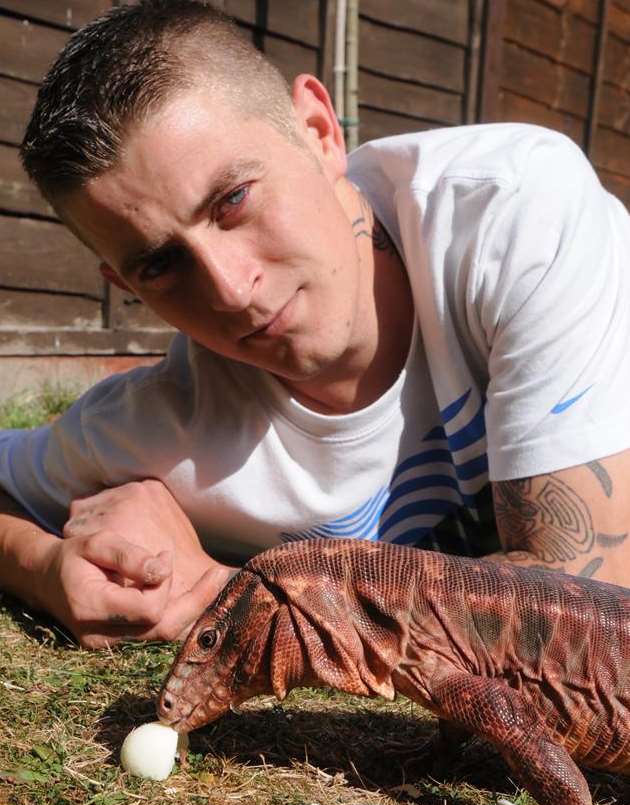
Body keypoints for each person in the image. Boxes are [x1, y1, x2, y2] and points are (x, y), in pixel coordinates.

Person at [1, 0, 629, 650]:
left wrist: (229, 599)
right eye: (161, 264)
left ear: (320, 130)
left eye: (233, 200)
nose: (229, 286)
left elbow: (587, 631)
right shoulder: (163, 427)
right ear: (125, 285)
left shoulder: (512, 217)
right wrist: (41, 567)